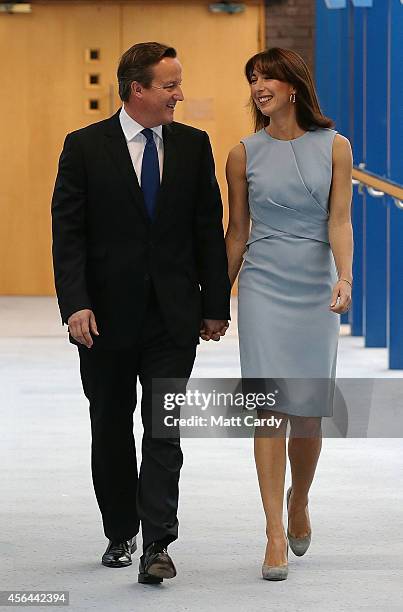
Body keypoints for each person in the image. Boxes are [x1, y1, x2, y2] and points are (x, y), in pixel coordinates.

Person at [51, 42, 230, 585]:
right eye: (170, 85)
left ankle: (158, 542)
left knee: (164, 428)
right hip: (102, 319)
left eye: (179, 84)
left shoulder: (194, 146)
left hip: (172, 318)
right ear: (137, 90)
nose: (180, 94)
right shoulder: (84, 147)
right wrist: (75, 303)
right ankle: (119, 531)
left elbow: (207, 229)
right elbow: (69, 234)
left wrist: (214, 304)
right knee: (109, 425)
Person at [225, 47, 353, 581]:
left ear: (292, 87)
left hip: (314, 290)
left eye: (268, 76)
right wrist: (214, 299)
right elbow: (236, 231)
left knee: (306, 412)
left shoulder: (336, 147)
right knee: (267, 409)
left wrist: (345, 277)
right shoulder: (241, 153)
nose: (258, 84)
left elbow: (339, 221)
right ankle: (274, 531)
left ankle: (300, 498)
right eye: (252, 77)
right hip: (262, 287)